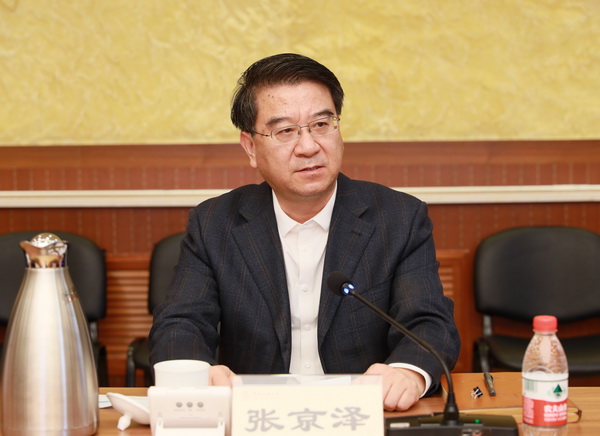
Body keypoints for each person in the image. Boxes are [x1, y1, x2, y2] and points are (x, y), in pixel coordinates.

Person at [149, 53, 460, 411]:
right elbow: (180, 323)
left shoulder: (398, 217)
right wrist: (195, 373)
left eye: (322, 124)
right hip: (257, 415)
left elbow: (428, 322)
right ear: (251, 147)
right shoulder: (215, 223)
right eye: (285, 131)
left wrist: (406, 372)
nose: (309, 147)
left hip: (363, 413)